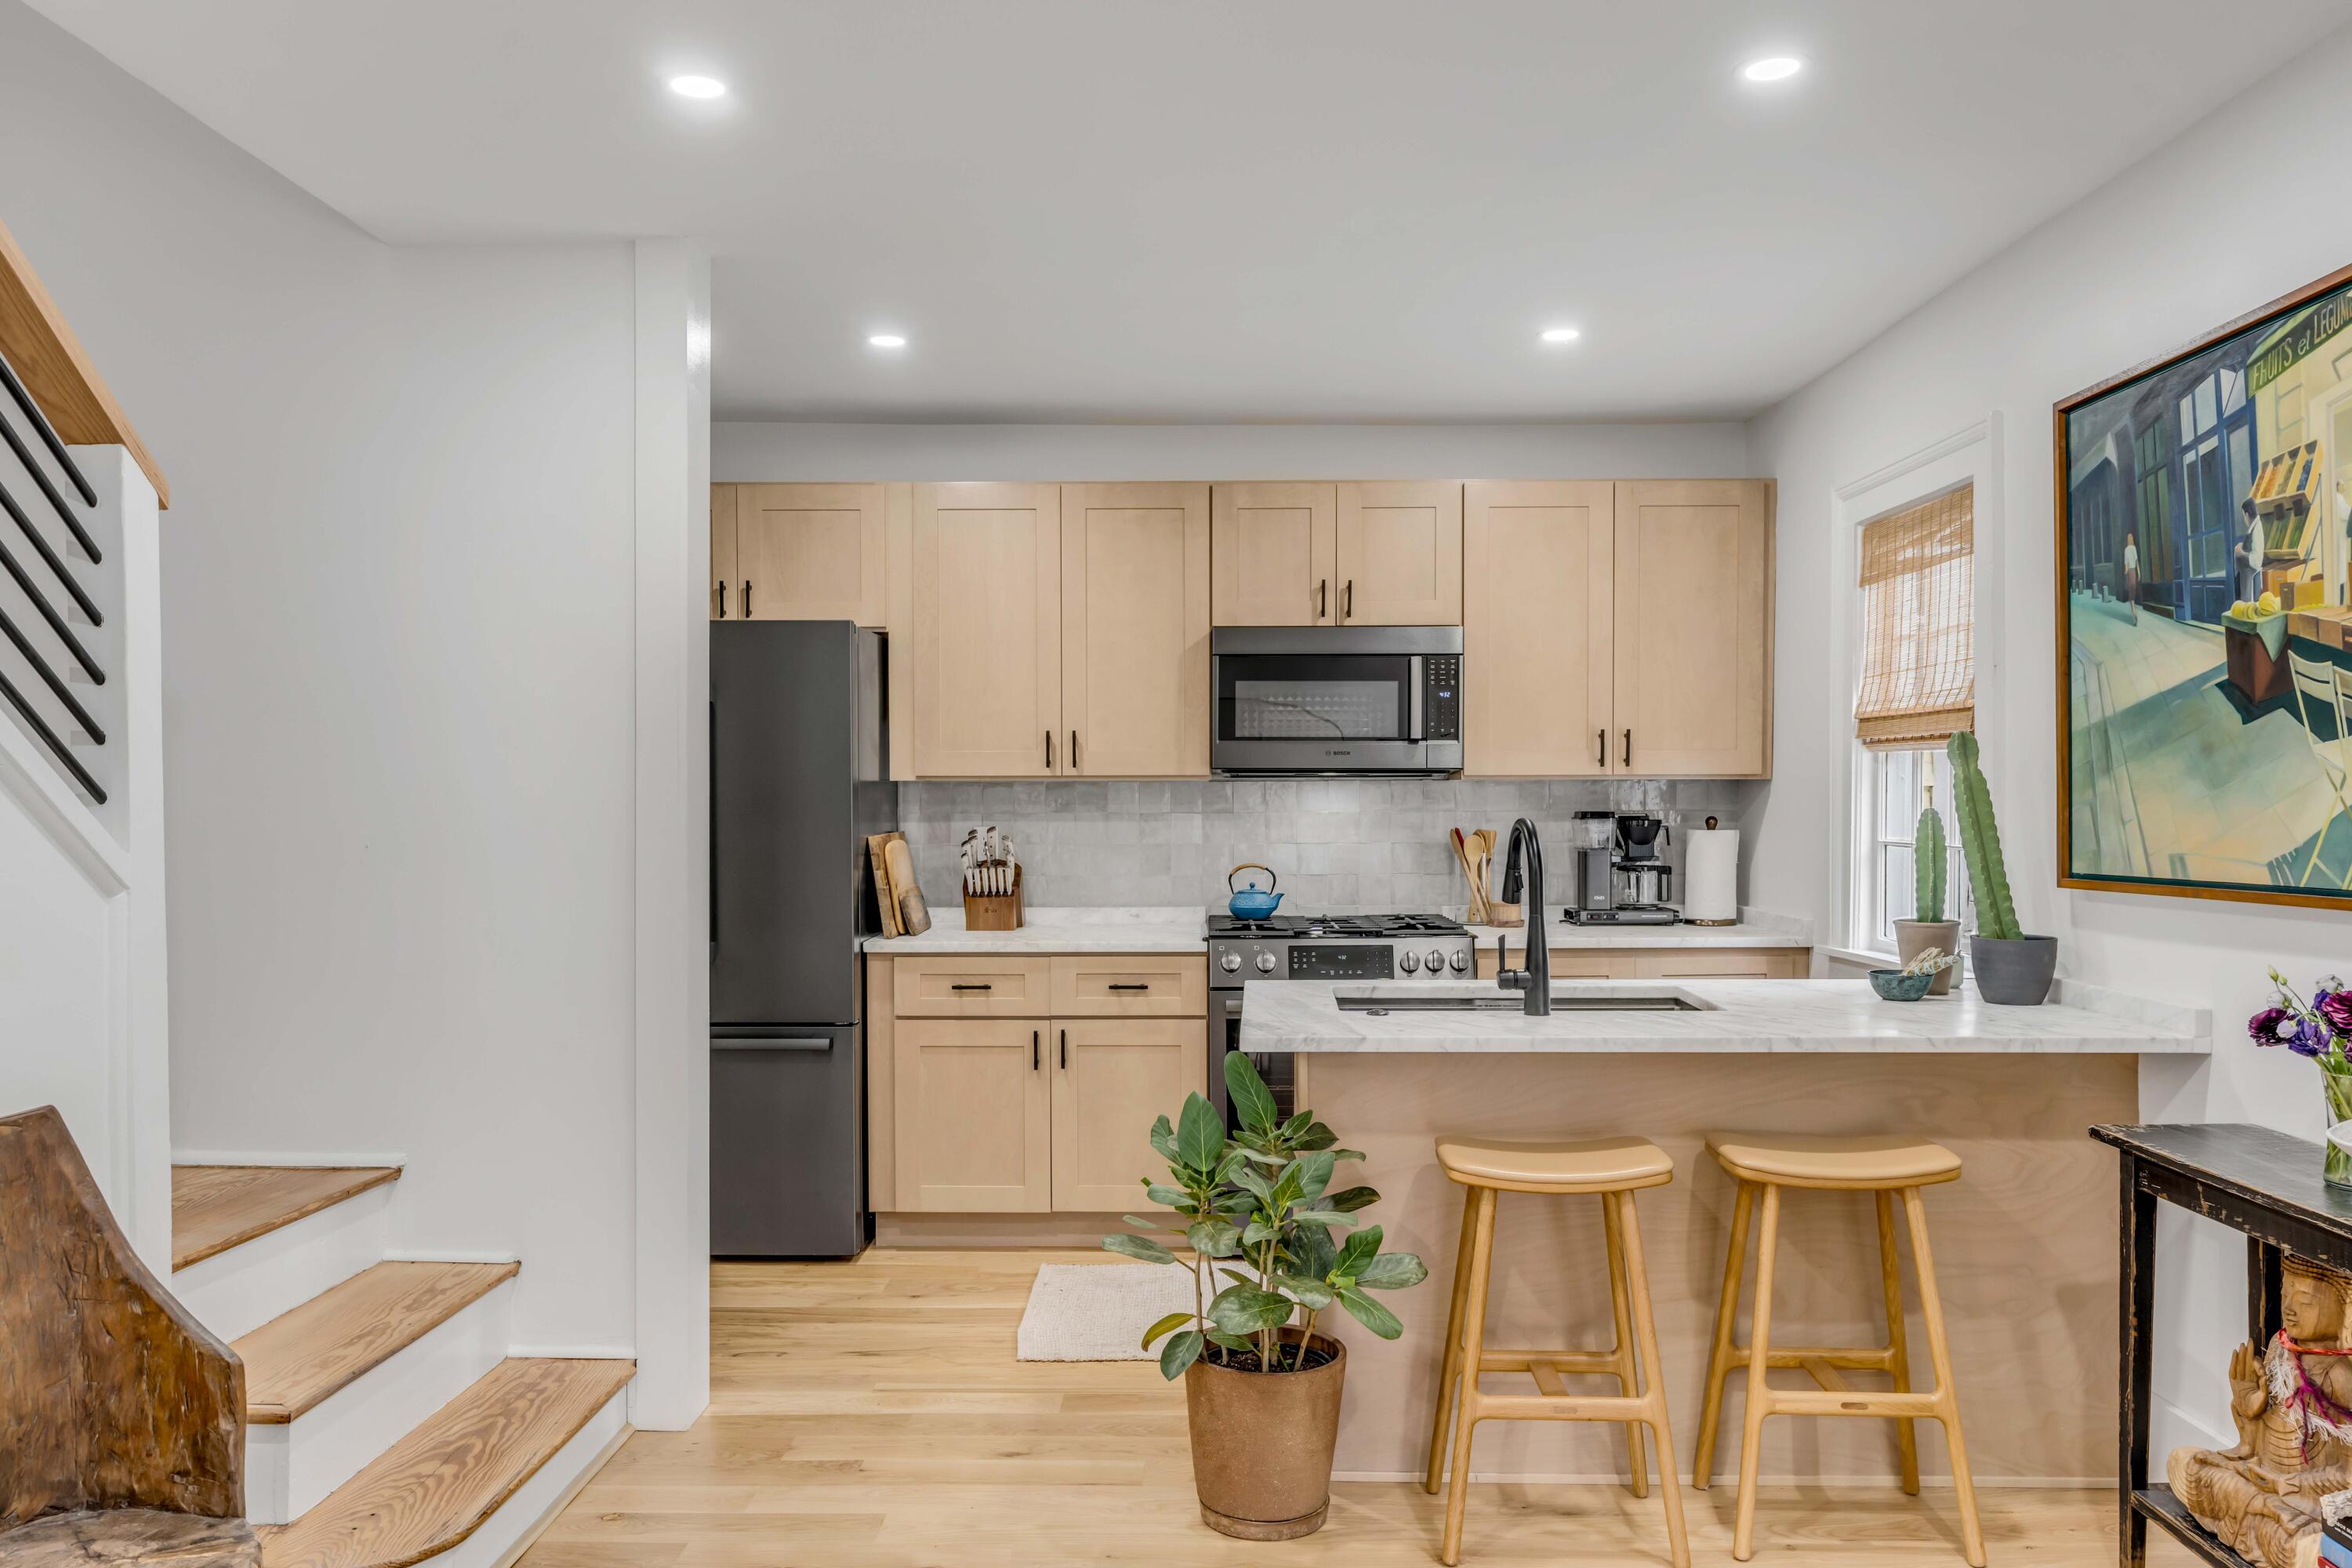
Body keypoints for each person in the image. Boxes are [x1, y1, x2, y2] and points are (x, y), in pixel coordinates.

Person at [2237, 498, 2266, 606]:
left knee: (2250, 611)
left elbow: (2256, 560)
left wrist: (2241, 553)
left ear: (2247, 514)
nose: (2244, 519)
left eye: (2244, 516)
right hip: (2247, 582)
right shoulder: (2254, 528)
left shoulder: (2257, 529)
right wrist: (2242, 547)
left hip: (2252, 585)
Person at [2122, 532, 2140, 624]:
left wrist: (2125, 573)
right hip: (2134, 572)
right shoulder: (2134, 549)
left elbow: (2126, 564)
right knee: (2133, 593)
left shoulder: (2126, 550)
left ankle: (2134, 613)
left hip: (2129, 573)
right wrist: (2139, 573)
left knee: (2131, 596)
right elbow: (2137, 562)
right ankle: (2134, 613)